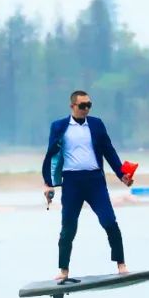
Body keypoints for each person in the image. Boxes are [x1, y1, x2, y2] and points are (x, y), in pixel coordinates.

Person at [41, 91, 133, 280]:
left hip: (95, 181)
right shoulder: (59, 126)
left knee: (109, 221)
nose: (86, 109)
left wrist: (122, 174)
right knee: (68, 226)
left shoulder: (96, 124)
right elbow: (51, 155)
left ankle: (121, 264)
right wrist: (48, 184)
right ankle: (63, 270)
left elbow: (109, 150)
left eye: (89, 105)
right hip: (72, 182)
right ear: (72, 106)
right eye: (82, 105)